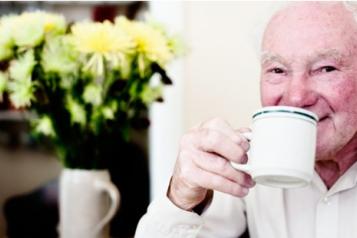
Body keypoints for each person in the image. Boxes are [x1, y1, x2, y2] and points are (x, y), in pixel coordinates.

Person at [135, 2, 357, 237]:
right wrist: (181, 196)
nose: (296, 97)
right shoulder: (251, 161)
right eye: (278, 70)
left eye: (326, 68)